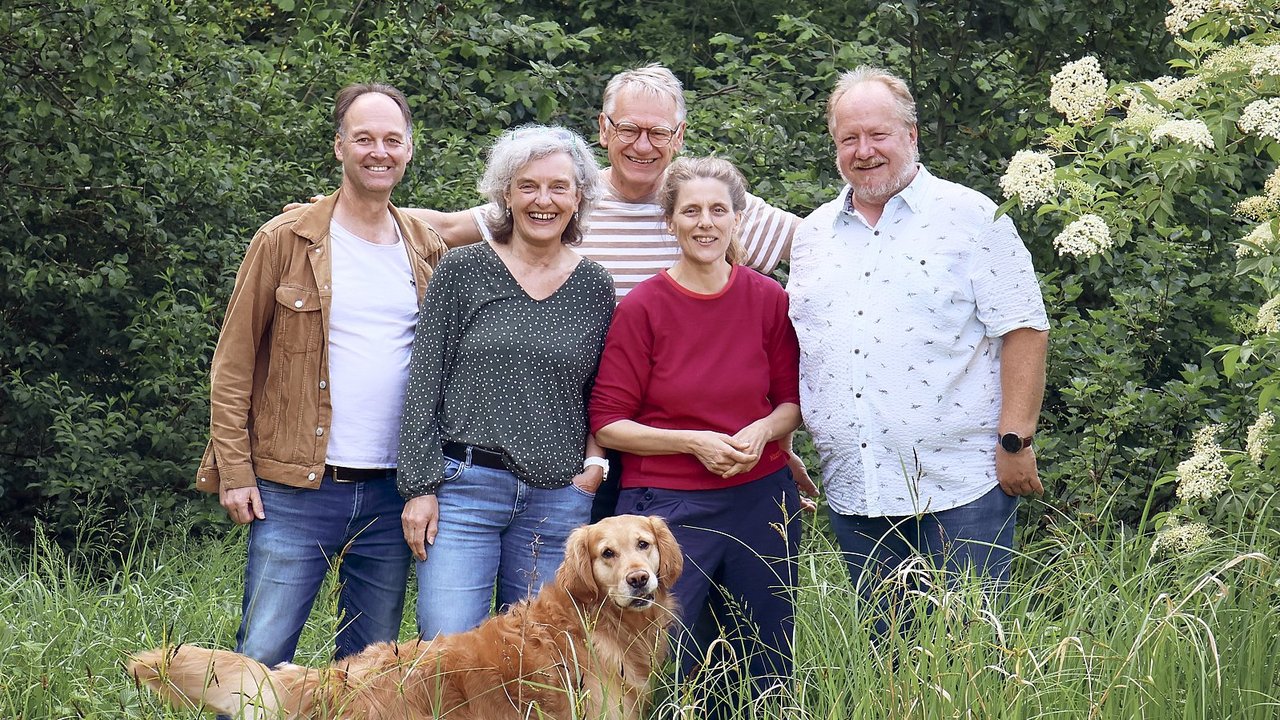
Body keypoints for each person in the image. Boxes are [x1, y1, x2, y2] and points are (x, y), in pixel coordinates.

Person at [285, 65, 818, 517]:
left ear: (679, 136)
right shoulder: (562, 196)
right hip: (580, 438)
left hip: (689, 452)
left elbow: (823, 253)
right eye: (628, 129)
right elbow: (444, 228)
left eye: (658, 132)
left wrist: (776, 439)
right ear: (603, 129)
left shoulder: (704, 203)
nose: (642, 145)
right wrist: (343, 216)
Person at [787, 66, 1050, 635]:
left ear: (911, 135)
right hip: (857, 488)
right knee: (885, 662)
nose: (864, 151)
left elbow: (1025, 329)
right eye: (849, 138)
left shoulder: (972, 217)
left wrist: (1016, 438)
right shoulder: (812, 237)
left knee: (970, 654)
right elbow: (802, 348)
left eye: (877, 134)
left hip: (962, 484)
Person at [195, 83, 446, 670]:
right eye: (364, 139)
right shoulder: (284, 240)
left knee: (368, 673)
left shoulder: (425, 248)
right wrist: (235, 470)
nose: (379, 152)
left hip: (393, 490)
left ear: (409, 149)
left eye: (392, 140)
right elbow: (233, 363)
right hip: (294, 487)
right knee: (260, 658)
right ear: (339, 146)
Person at [590, 156, 802, 718]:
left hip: (760, 501)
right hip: (666, 510)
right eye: (691, 211)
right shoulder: (643, 307)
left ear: (737, 219)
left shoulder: (768, 299)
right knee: (679, 663)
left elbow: (792, 402)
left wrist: (762, 431)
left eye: (717, 210)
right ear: (671, 222)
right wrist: (693, 442)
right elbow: (609, 422)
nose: (705, 223)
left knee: (769, 659)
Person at [397, 125, 616, 638]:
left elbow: (604, 391)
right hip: (464, 490)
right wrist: (420, 488)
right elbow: (424, 381)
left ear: (579, 197)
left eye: (558, 187)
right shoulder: (463, 269)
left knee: (540, 655)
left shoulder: (594, 286)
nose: (543, 200)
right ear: (506, 194)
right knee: (450, 649)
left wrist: (594, 468)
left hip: (557, 498)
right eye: (528, 186)